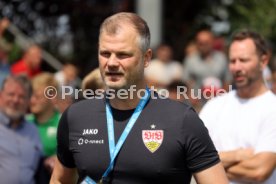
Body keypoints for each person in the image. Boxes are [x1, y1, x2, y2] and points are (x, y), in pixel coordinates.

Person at [50, 12, 228, 184]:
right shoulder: (75, 117)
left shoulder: (182, 120)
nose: (111, 62)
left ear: (146, 58)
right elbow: (59, 179)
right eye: (105, 53)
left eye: (123, 55)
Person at [199, 30, 276, 184]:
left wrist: (207, 166)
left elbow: (258, 171)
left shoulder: (272, 108)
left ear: (263, 61)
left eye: (244, 60)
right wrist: (237, 155)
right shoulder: (214, 106)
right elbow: (188, 157)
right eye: (232, 61)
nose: (236, 67)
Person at [0, 75, 42, 184]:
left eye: (22, 96)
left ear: (28, 101)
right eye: (11, 94)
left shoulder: (33, 130)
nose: (15, 100)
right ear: (1, 96)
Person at [26, 72, 61, 183]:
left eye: (37, 96)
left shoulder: (65, 125)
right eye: (30, 95)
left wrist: (59, 160)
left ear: (53, 98)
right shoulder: (22, 122)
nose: (31, 100)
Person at [183, 29, 231, 95]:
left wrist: (224, 97)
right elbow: (187, 82)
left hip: (218, 99)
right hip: (197, 101)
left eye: (206, 43)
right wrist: (191, 96)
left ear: (212, 42)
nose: (203, 46)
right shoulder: (190, 60)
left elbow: (227, 80)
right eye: (201, 43)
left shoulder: (221, 58)